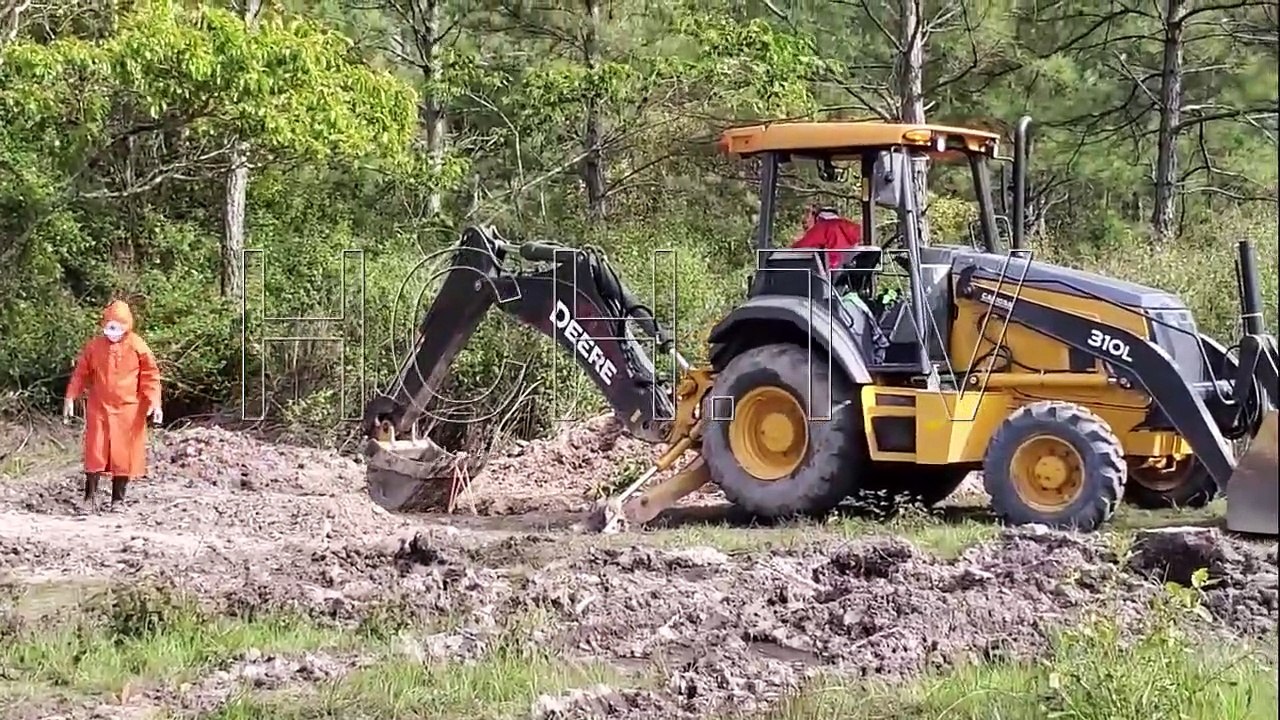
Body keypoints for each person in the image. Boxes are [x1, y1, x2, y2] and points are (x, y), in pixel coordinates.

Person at [63, 299, 162, 512]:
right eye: (109, 326)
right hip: (99, 405)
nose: (113, 331)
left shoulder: (138, 346)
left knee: (122, 453)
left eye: (118, 326)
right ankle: (90, 498)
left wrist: (155, 402)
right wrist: (70, 396)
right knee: (94, 449)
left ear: (127, 326)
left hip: (129, 408)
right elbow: (80, 374)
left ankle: (118, 500)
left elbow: (150, 376)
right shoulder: (94, 347)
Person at [790, 204, 864, 269]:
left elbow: (802, 245)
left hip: (831, 268)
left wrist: (792, 247)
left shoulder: (823, 226)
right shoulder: (851, 226)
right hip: (849, 268)